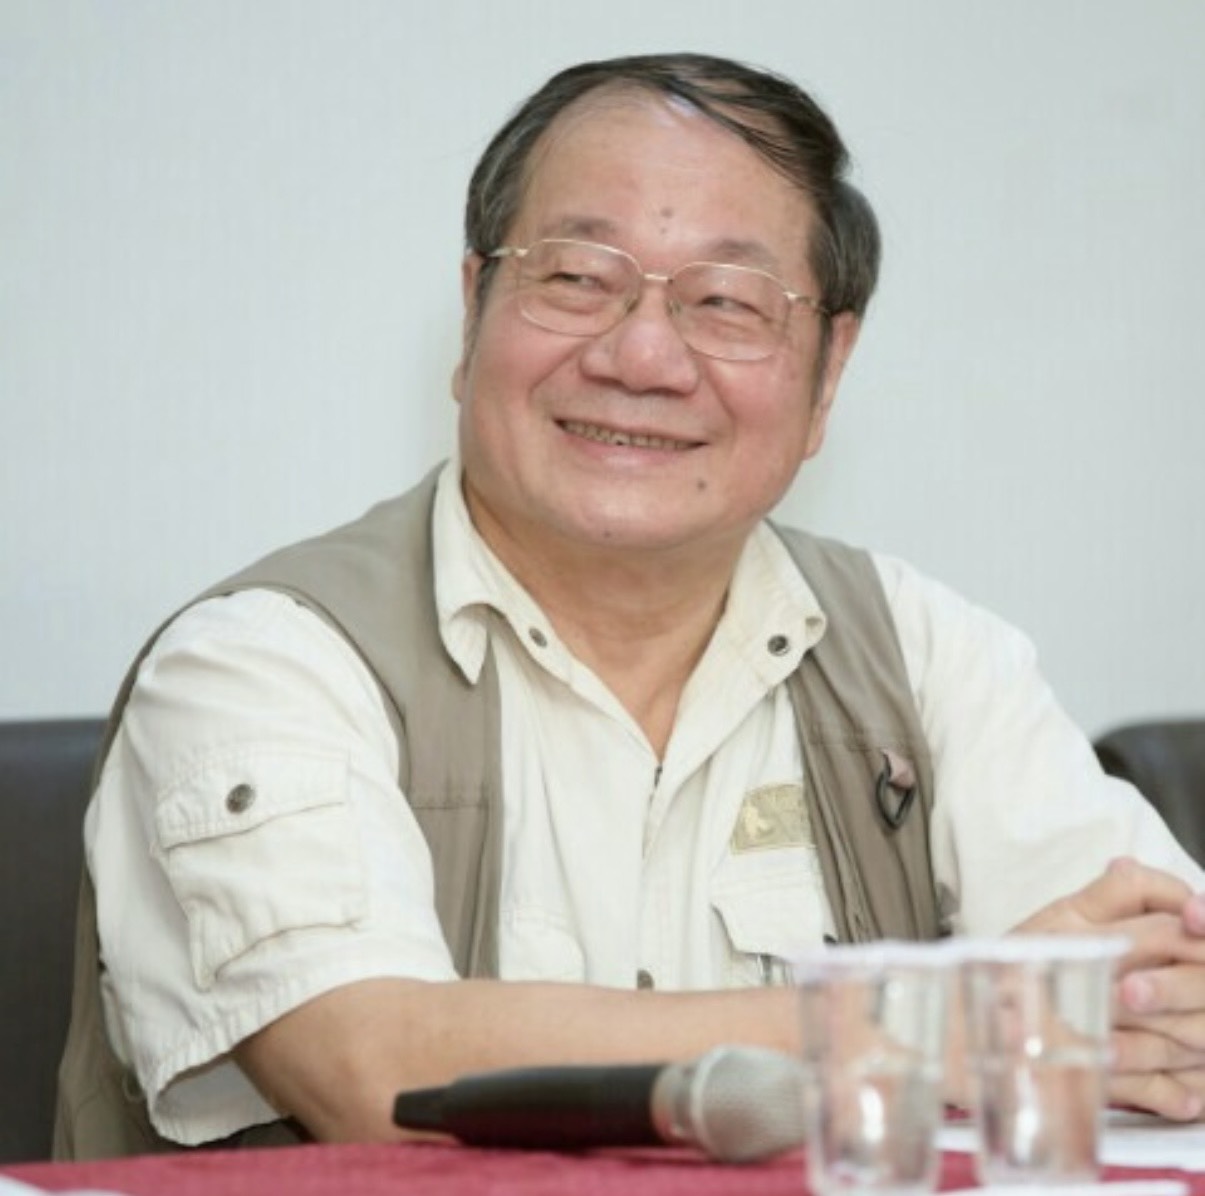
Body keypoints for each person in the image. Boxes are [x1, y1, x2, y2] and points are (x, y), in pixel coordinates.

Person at [55, 52, 1205, 1159]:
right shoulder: (261, 661)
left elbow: (1168, 991)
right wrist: (936, 1024)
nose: (643, 355)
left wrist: (1117, 1016)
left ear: (827, 375)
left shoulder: (923, 655)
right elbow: (378, 1064)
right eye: (576, 278)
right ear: (473, 309)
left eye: (727, 300)